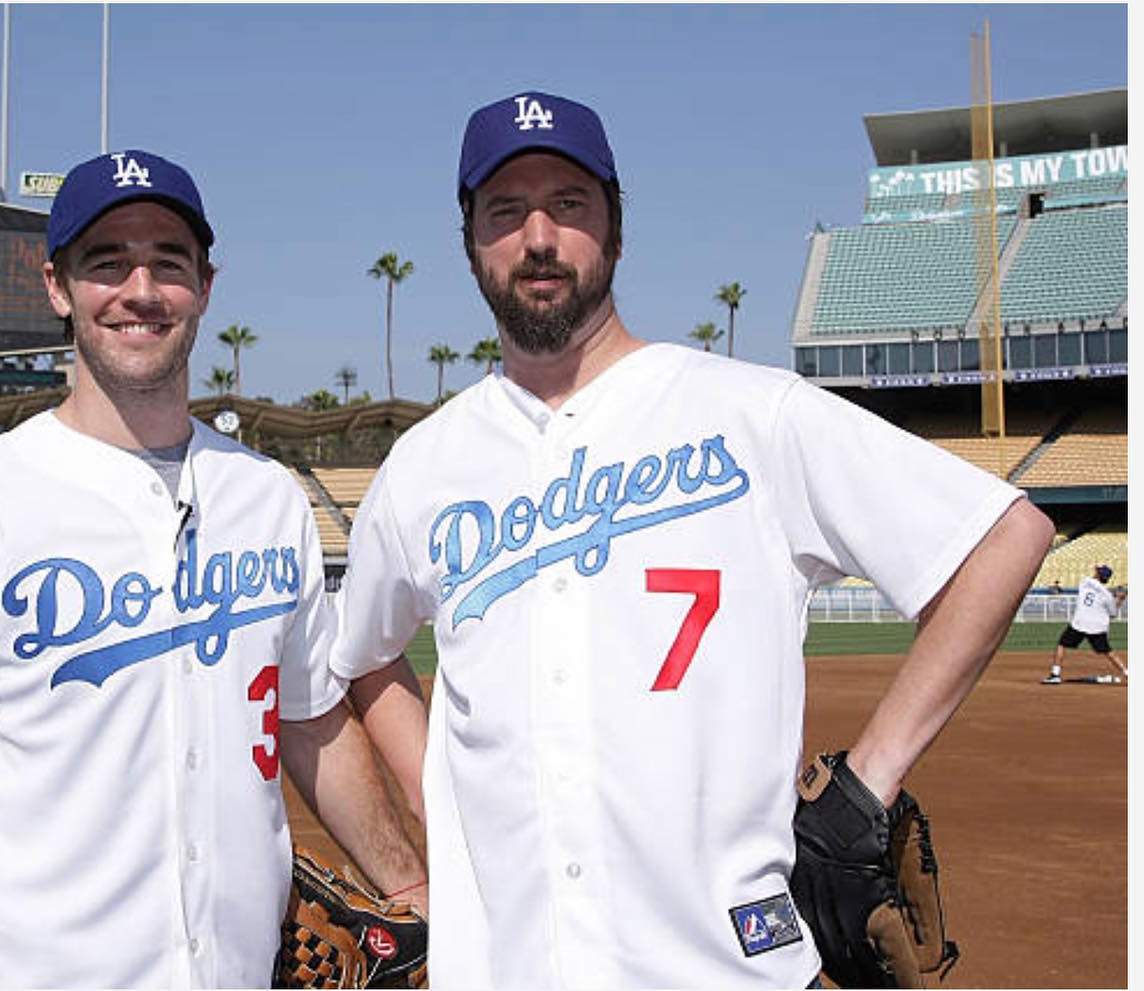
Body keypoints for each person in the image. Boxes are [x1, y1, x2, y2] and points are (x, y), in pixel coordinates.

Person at [334, 91, 1055, 987]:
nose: (539, 236)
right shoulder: (423, 466)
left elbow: (1004, 534)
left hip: (725, 965)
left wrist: (869, 778)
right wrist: (435, 799)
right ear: (472, 243)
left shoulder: (752, 414)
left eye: (569, 204)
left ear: (617, 230)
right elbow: (365, 657)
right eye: (505, 211)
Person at [0, 150, 424, 989]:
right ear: (57, 286)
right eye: (107, 262)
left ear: (205, 287)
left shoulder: (267, 497)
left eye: (168, 263)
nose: (139, 289)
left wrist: (410, 882)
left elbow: (310, 720)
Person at [1042, 564, 1127, 683]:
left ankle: (1055, 675)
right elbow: (1112, 613)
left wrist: (1113, 594)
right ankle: (1127, 672)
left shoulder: (1085, 582)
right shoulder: (1107, 596)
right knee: (1108, 652)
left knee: (1062, 644)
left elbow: (1094, 585)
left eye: (1097, 571)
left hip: (1080, 622)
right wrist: (1119, 600)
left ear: (1098, 574)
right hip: (1097, 626)